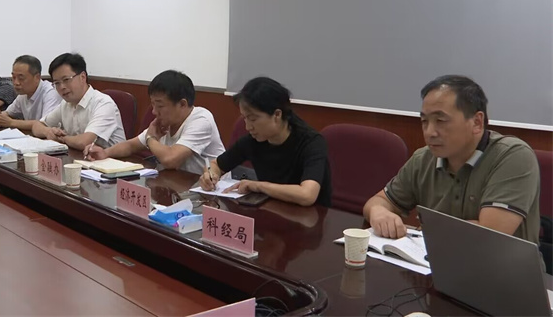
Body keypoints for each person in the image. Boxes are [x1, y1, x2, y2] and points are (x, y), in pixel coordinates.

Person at [363, 75, 540, 244]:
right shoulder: (423, 158)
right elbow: (378, 202)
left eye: (440, 120)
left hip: (498, 265)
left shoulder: (513, 156)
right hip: (433, 259)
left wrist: (430, 228)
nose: (430, 132)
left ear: (477, 122)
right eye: (424, 121)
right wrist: (379, 212)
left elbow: (489, 236)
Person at [199, 77, 332, 207]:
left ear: (277, 115)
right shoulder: (253, 140)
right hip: (271, 209)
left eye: (253, 119)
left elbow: (307, 195)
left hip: (310, 216)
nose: (248, 127)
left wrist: (258, 185)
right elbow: (216, 164)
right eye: (245, 118)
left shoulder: (311, 143)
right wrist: (210, 175)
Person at [85, 70, 224, 174]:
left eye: (160, 106)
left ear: (182, 104)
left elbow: (170, 159)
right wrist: (105, 152)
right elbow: (131, 145)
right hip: (177, 187)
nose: (154, 112)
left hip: (210, 192)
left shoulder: (201, 120)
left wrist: (150, 138)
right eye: (153, 105)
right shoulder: (166, 121)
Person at [31, 53, 125, 150]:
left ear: (82, 77)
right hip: (81, 156)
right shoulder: (65, 104)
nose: (62, 87)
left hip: (112, 158)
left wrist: (61, 138)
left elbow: (84, 142)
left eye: (66, 80)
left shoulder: (103, 103)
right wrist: (48, 132)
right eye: (57, 83)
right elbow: (36, 126)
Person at [0, 55, 61, 131]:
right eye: (13, 77)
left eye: (21, 78)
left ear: (37, 77)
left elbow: (45, 124)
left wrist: (11, 122)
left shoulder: (50, 92)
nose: (16, 82)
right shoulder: (23, 93)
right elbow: (8, 113)